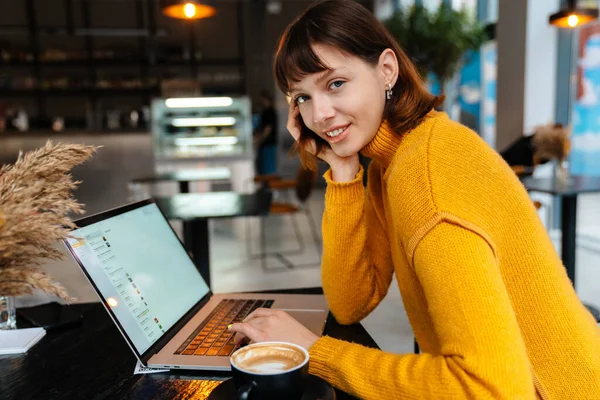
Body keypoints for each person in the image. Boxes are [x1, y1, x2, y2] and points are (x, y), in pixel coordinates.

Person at [229, 1, 600, 398]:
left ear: (386, 70)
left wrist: (317, 351)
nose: (319, 114)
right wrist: (342, 172)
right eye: (300, 97)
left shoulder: (424, 172)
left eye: (335, 83)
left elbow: (491, 388)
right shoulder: (393, 162)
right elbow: (350, 302)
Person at [254, 89, 279, 175]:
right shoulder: (269, 111)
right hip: (269, 143)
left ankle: (268, 184)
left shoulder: (269, 112)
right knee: (268, 166)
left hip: (268, 143)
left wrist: (260, 140)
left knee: (268, 167)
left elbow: (267, 129)